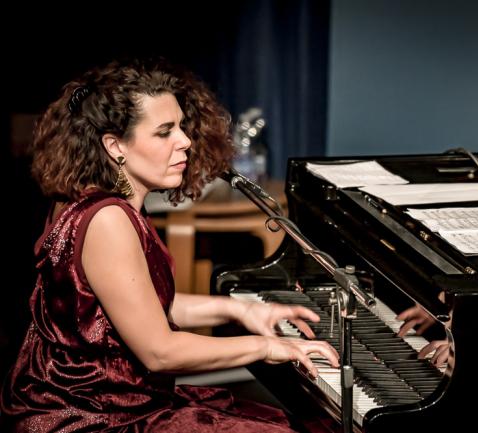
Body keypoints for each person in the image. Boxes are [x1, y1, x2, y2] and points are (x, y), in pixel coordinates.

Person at [0, 58, 339, 432]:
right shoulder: (108, 220)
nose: (186, 141)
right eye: (164, 132)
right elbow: (159, 351)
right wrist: (269, 347)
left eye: (180, 126)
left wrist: (242, 311)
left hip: (113, 402)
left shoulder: (92, 200)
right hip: (94, 418)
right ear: (115, 146)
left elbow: (139, 307)